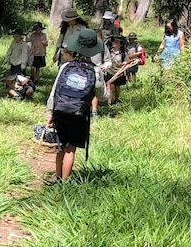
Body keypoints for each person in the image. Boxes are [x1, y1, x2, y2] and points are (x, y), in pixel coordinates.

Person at [46, 28, 101, 182]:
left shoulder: (66, 66)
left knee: (61, 146)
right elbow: (102, 95)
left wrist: (50, 113)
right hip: (78, 114)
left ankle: (57, 177)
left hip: (60, 110)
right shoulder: (95, 71)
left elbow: (54, 91)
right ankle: (64, 182)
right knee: (71, 148)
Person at [100, 34, 129, 105]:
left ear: (120, 44)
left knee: (117, 87)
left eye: (116, 42)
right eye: (113, 42)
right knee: (110, 86)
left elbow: (127, 62)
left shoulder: (123, 54)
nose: (114, 43)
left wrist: (122, 64)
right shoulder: (109, 52)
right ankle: (109, 102)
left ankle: (116, 99)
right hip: (110, 71)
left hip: (119, 72)